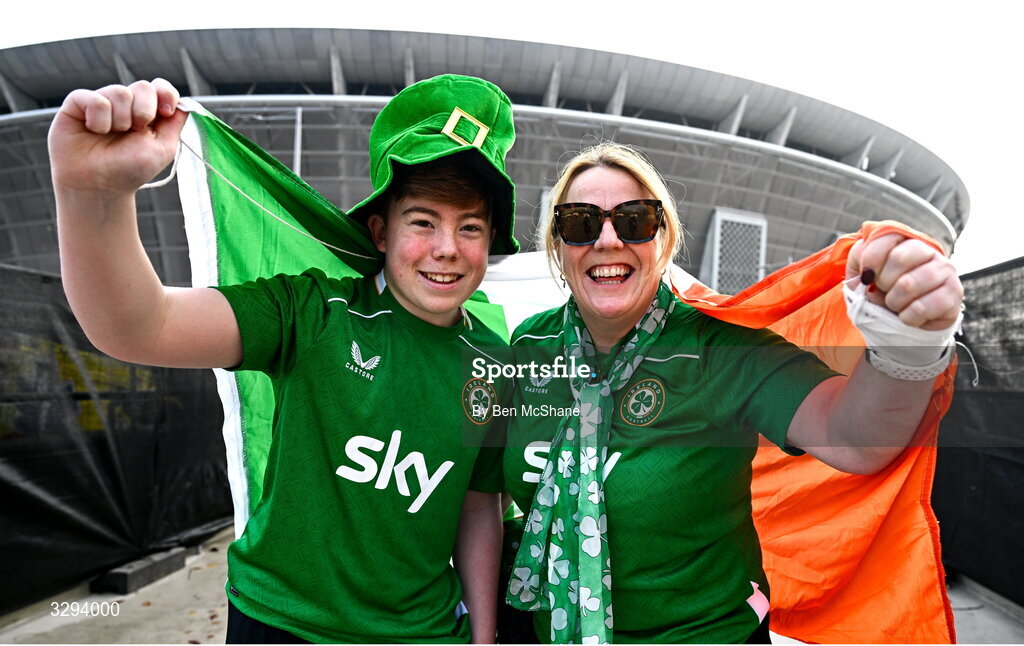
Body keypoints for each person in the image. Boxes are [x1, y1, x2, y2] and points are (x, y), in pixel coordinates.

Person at [48, 73, 521, 643]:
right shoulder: (311, 310)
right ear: (380, 231)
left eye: (469, 227)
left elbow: (477, 503)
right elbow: (139, 326)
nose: (447, 247)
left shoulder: (496, 360)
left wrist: (485, 637)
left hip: (422, 632)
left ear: (491, 239)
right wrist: (92, 196)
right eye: (423, 221)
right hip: (279, 624)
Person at [500, 141, 963, 643]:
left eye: (634, 219)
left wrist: (906, 345)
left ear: (664, 237)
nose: (607, 240)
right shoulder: (528, 344)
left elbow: (853, 439)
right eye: (580, 222)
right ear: (558, 244)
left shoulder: (719, 343)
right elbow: (484, 491)